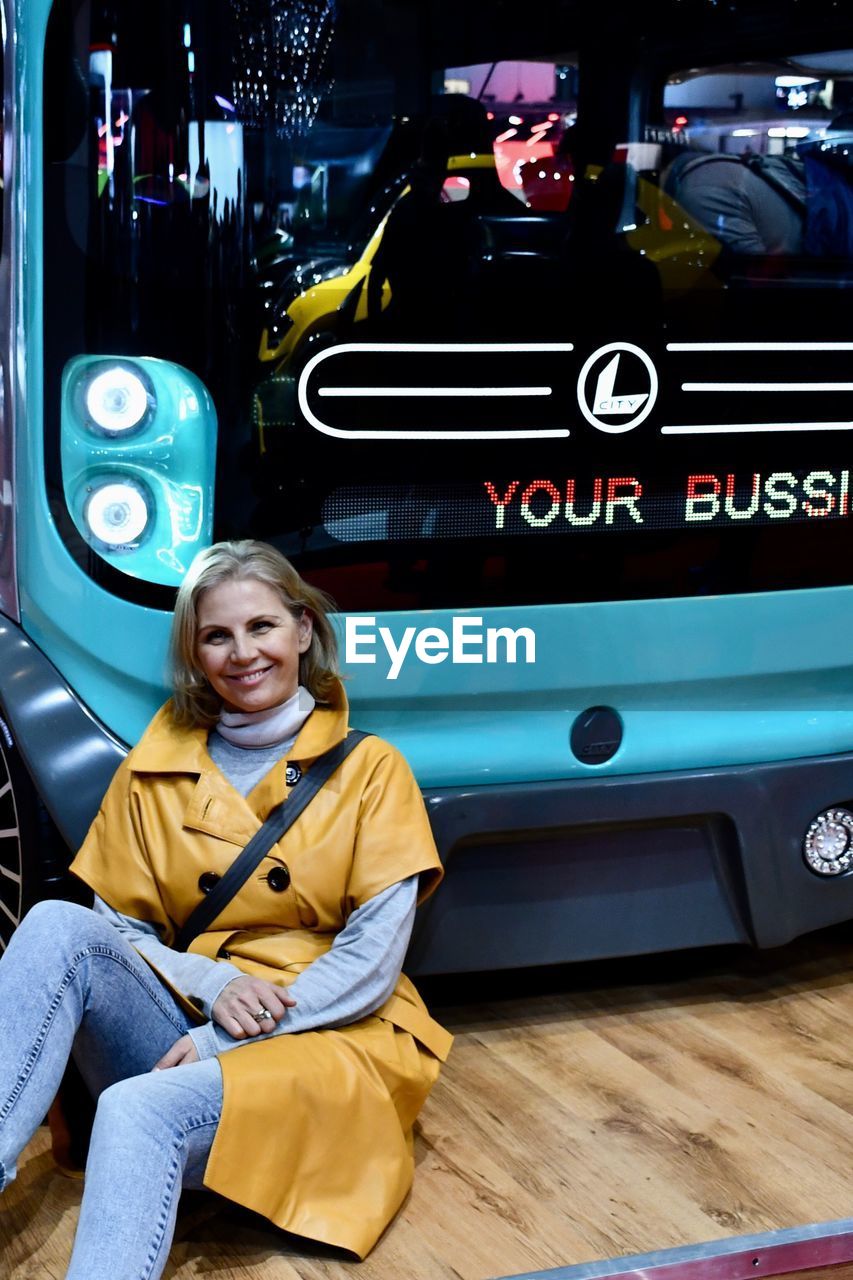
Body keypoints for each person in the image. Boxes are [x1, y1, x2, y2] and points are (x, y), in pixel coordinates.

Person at [0, 539, 451, 1278]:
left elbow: (370, 964)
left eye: (262, 627)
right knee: (58, 925)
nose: (243, 653)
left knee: (137, 1109)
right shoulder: (154, 769)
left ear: (303, 631)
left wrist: (228, 1040)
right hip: (192, 1006)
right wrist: (214, 991)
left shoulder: (373, 771)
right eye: (217, 635)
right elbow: (119, 930)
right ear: (195, 652)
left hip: (324, 1031)